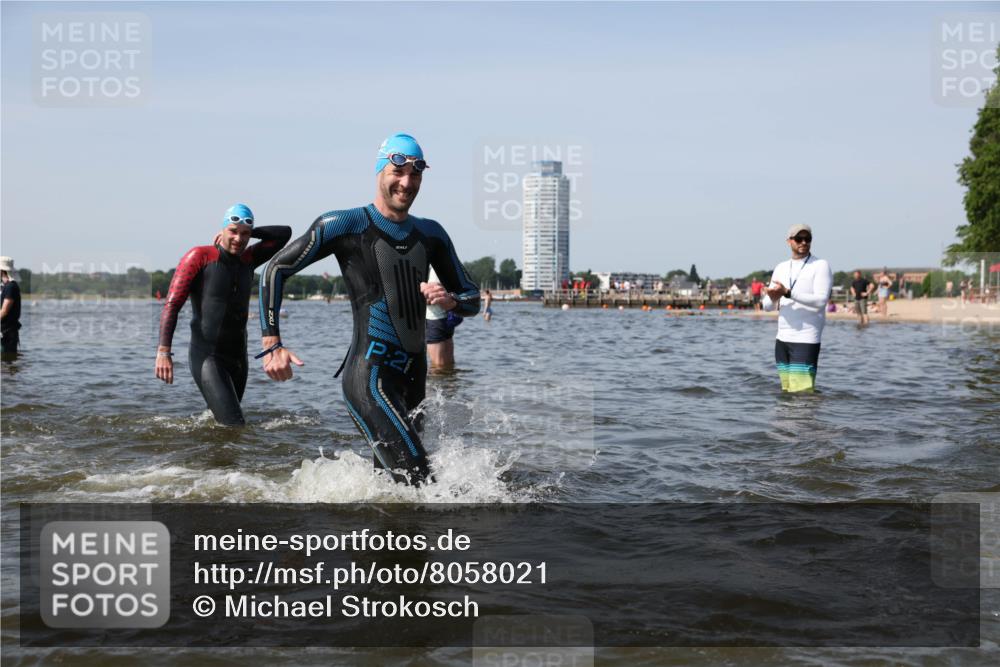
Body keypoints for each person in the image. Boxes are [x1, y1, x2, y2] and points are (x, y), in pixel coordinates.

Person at [257, 133, 480, 486]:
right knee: (422, 484)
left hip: (414, 381)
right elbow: (275, 270)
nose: (407, 182)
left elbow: (472, 297)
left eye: (416, 174)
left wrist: (451, 300)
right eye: (398, 171)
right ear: (379, 171)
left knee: (396, 490)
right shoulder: (346, 224)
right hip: (370, 377)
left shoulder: (431, 233)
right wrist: (272, 342)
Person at [156, 204, 291, 425]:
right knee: (235, 424)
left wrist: (248, 230)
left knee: (223, 425)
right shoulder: (199, 256)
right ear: (222, 230)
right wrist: (164, 352)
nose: (239, 238)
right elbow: (172, 305)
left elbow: (284, 233)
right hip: (208, 357)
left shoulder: (249, 259)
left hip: (239, 358)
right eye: (233, 231)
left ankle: (210, 457)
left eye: (245, 234)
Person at [762, 224, 833, 392]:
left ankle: (805, 420)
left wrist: (787, 292)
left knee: (802, 393)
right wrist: (772, 298)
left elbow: (821, 300)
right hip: (782, 339)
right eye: (798, 239)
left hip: (806, 338)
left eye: (807, 239)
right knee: (786, 392)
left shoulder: (820, 265)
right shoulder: (781, 267)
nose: (803, 242)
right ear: (789, 241)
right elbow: (767, 306)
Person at [426, 266, 463, 369]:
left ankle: (439, 384)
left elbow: (433, 297)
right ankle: (450, 383)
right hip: (448, 317)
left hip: (435, 319)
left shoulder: (435, 270)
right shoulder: (446, 265)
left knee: (438, 365)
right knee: (449, 362)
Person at [1, 256, 22, 358]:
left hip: (7, 333)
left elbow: (4, 311)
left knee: (7, 366)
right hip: (5, 331)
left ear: (2, 271)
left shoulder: (10, 287)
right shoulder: (7, 286)